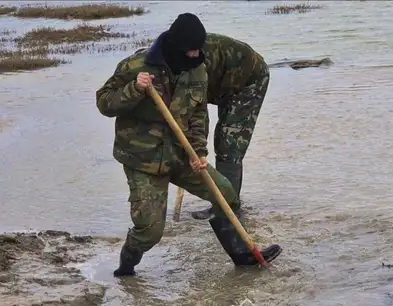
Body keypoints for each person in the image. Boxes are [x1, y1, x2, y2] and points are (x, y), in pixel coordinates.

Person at [94, 13, 281, 277]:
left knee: (225, 193)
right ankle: (126, 265)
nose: (196, 55)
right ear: (175, 46)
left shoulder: (197, 68)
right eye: (191, 51)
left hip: (181, 156)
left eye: (198, 51)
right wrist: (134, 89)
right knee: (150, 232)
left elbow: (197, 115)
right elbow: (104, 103)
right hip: (143, 159)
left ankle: (241, 254)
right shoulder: (136, 66)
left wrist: (200, 153)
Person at [189, 33, 271, 220]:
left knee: (228, 143)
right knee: (223, 140)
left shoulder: (193, 63)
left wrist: (196, 149)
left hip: (248, 81)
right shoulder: (164, 60)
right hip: (221, 83)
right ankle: (224, 203)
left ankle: (228, 209)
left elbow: (198, 114)